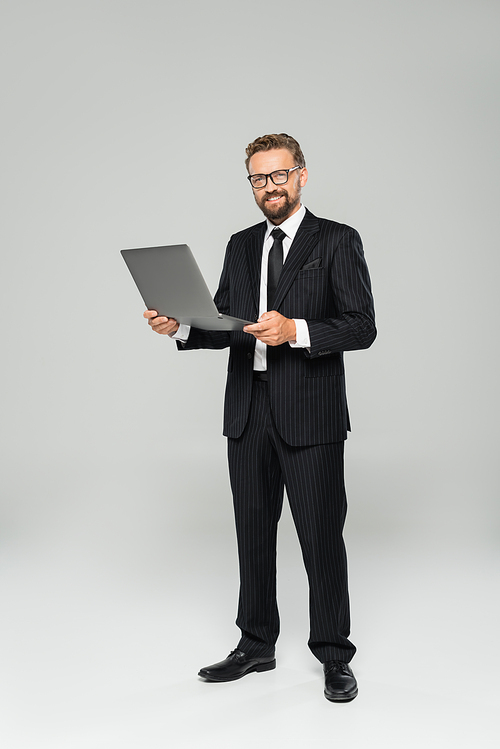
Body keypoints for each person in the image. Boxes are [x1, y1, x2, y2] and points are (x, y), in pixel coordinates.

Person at [144, 133, 376, 702]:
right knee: (253, 533)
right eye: (257, 178)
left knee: (321, 538)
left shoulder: (337, 240)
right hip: (247, 413)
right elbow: (226, 323)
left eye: (278, 175)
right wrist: (181, 328)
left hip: (311, 416)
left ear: (300, 175)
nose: (269, 187)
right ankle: (256, 644)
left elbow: (362, 325)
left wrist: (295, 331)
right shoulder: (241, 244)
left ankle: (333, 655)